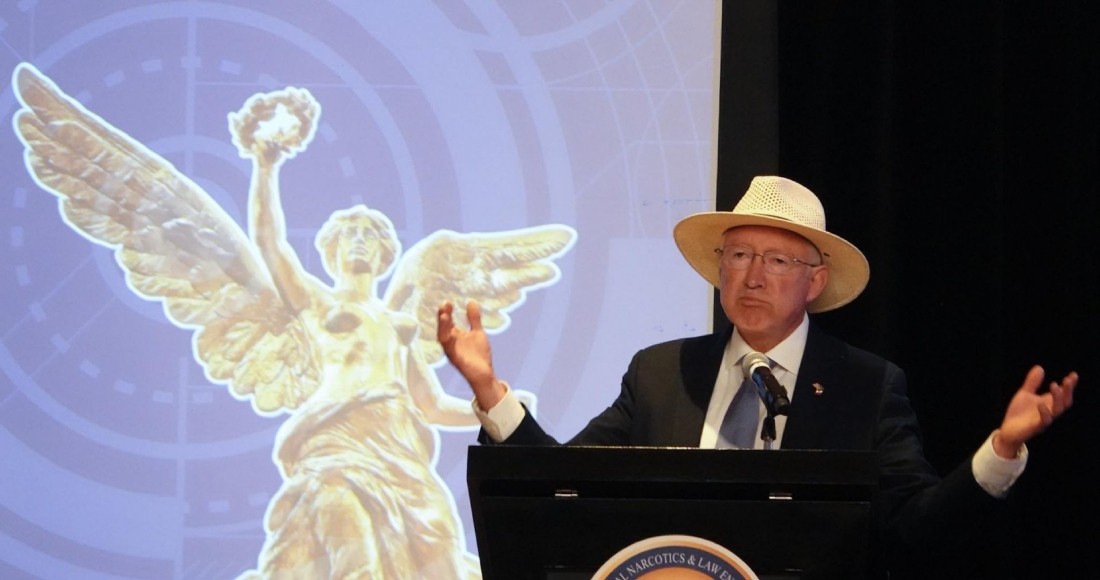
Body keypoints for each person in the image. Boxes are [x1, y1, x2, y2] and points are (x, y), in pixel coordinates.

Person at [437, 175, 1078, 576]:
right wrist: (490, 390)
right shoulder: (663, 372)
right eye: (738, 254)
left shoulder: (864, 385)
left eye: (776, 258)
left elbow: (915, 525)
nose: (753, 274)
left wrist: (1001, 451)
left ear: (815, 281)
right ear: (720, 271)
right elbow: (563, 489)